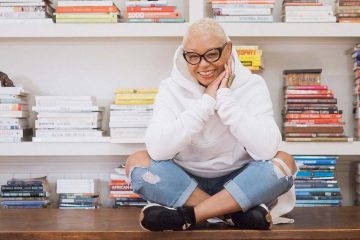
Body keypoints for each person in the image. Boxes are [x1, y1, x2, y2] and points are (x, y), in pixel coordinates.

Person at [125, 18, 297, 232]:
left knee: (284, 163)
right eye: (193, 57)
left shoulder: (252, 85)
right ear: (183, 55)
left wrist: (225, 99)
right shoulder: (170, 88)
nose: (203, 64)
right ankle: (230, 213)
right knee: (137, 163)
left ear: (229, 48)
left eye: (212, 54)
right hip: (185, 180)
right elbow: (158, 151)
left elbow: (266, 150)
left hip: (241, 179)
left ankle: (189, 216)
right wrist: (206, 103)